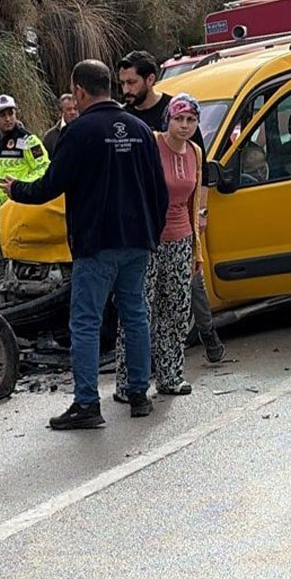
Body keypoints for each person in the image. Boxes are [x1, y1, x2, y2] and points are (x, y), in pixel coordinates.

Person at [4, 59, 168, 427]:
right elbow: (159, 190)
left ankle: (87, 404)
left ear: (78, 91)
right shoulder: (140, 129)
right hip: (137, 240)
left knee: (85, 322)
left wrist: (16, 190)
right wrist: (151, 233)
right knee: (135, 314)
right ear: (109, 86)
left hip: (97, 243)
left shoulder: (78, 133)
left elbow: (50, 186)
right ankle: (139, 393)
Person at [114, 94, 205, 401]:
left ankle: (170, 375)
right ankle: (128, 382)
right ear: (168, 118)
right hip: (147, 239)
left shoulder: (195, 152)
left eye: (191, 120)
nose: (185, 125)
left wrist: (197, 249)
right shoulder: (152, 143)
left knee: (176, 309)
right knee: (140, 310)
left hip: (181, 238)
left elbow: (194, 204)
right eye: (179, 118)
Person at [117, 51, 205, 151]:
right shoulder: (121, 116)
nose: (126, 90)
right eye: (122, 83)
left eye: (131, 82)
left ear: (150, 80)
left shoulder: (177, 109)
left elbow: (199, 160)